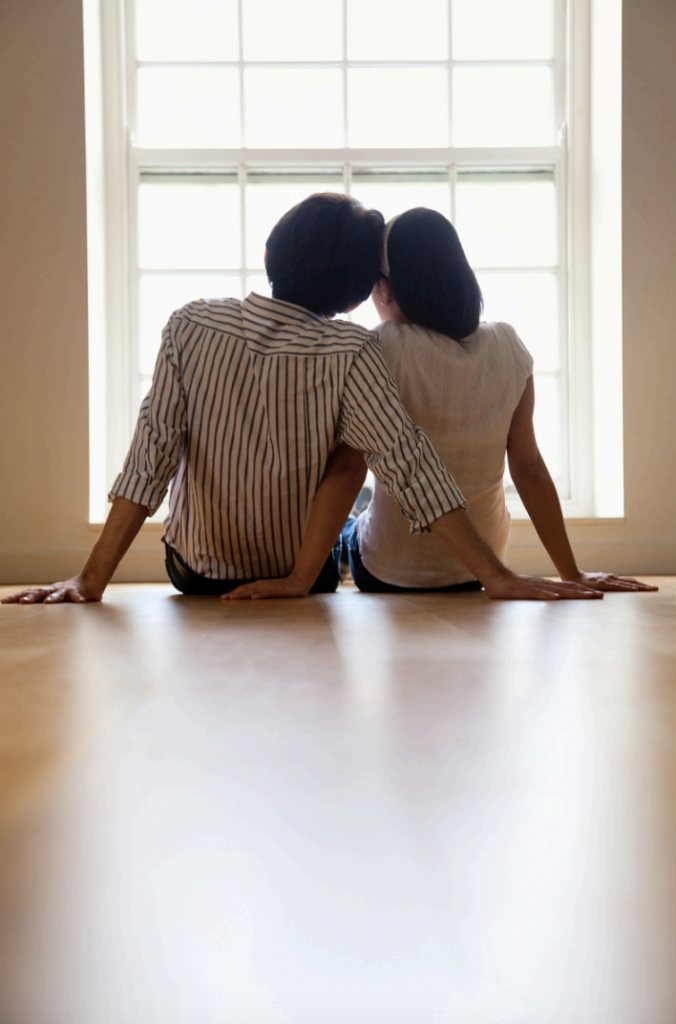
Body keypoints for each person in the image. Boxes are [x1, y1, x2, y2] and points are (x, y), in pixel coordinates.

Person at [4, 196, 606, 608]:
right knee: (348, 499)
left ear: (270, 256)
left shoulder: (187, 325)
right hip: (307, 576)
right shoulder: (352, 348)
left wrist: (92, 578)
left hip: (193, 574)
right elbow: (407, 461)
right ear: (354, 300)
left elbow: (151, 455)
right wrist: (495, 574)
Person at [227, 207, 655, 600]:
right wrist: (572, 572)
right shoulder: (508, 345)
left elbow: (347, 467)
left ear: (387, 289)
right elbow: (529, 469)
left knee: (350, 520)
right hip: (482, 569)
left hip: (387, 572)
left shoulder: (380, 346)